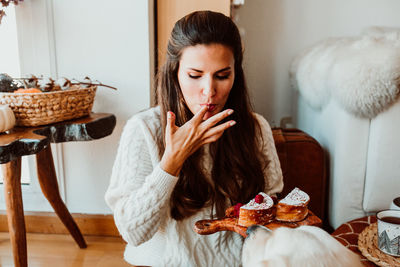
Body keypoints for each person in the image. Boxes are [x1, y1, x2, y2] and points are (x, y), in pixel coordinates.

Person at [105, 10, 283, 267]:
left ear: (236, 74)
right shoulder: (143, 129)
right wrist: (171, 162)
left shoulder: (255, 128)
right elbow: (133, 233)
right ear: (175, 73)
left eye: (222, 76)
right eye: (195, 75)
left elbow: (272, 205)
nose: (209, 91)